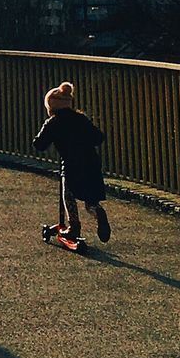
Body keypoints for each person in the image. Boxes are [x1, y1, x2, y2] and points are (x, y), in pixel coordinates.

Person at [34, 81, 111, 243]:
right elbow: (99, 137)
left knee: (68, 195)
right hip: (91, 162)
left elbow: (39, 144)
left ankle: (73, 227)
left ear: (51, 106)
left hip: (71, 164)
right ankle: (98, 212)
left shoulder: (53, 122)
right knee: (90, 200)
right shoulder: (81, 119)